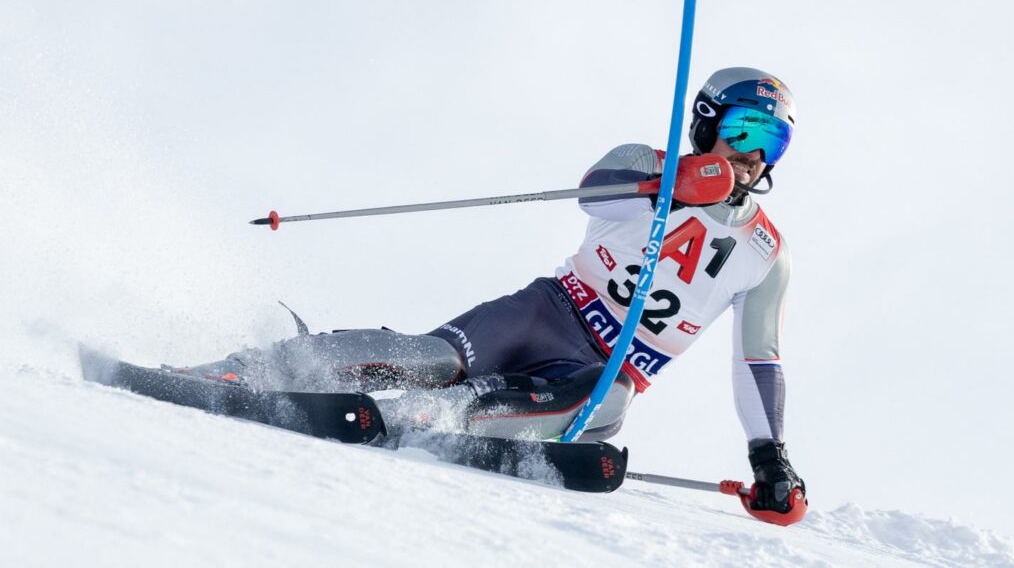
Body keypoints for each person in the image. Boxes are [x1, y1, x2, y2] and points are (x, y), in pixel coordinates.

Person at [182, 66, 805, 513]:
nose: (753, 155)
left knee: (608, 403)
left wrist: (768, 457)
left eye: (771, 141)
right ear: (705, 122)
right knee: (432, 360)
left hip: (604, 368)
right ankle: (251, 367)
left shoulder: (764, 254)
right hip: (544, 313)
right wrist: (673, 184)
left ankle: (432, 418)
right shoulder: (649, 163)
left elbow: (758, 361)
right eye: (744, 129)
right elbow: (593, 190)